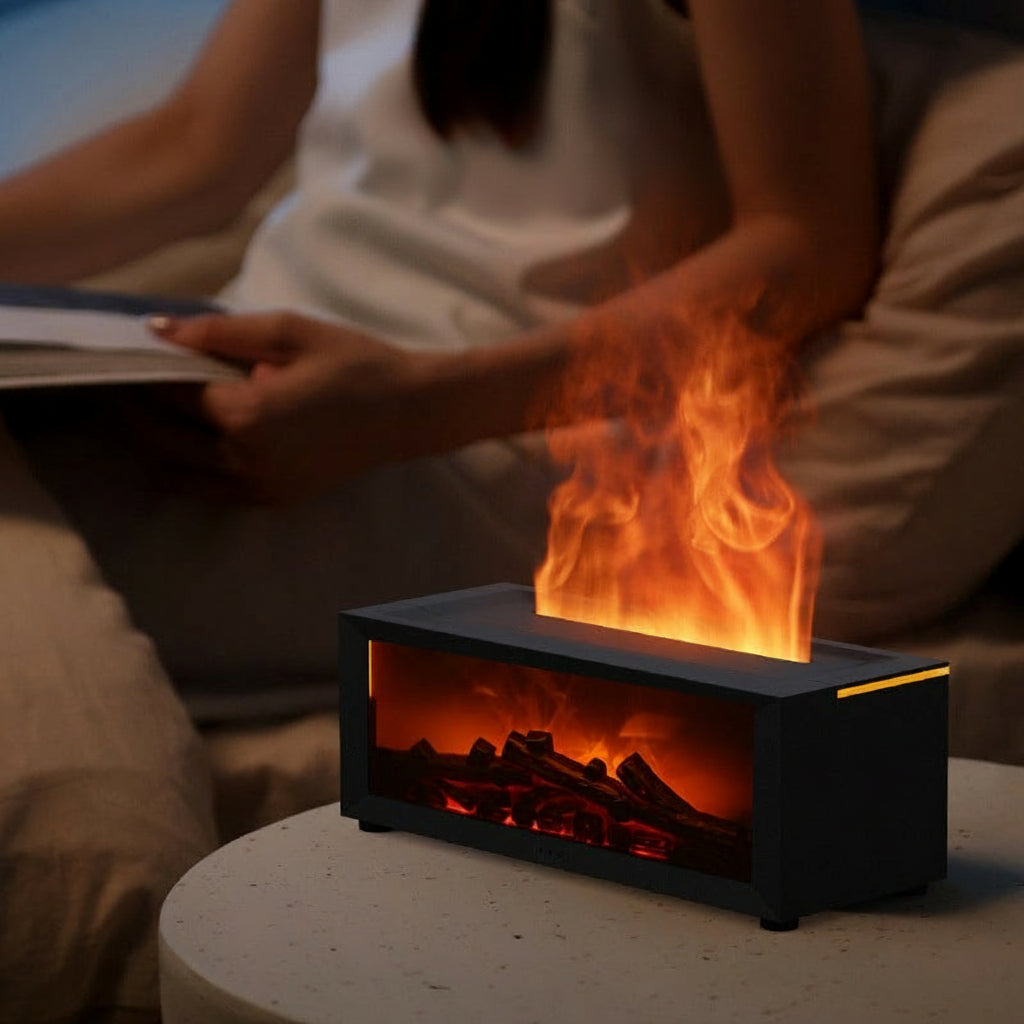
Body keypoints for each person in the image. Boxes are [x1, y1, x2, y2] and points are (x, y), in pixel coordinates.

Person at [0, 0, 1020, 1019]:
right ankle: (94, 895)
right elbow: (193, 149)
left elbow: (807, 238)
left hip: (484, 428)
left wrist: (414, 405)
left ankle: (93, 916)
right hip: (264, 379)